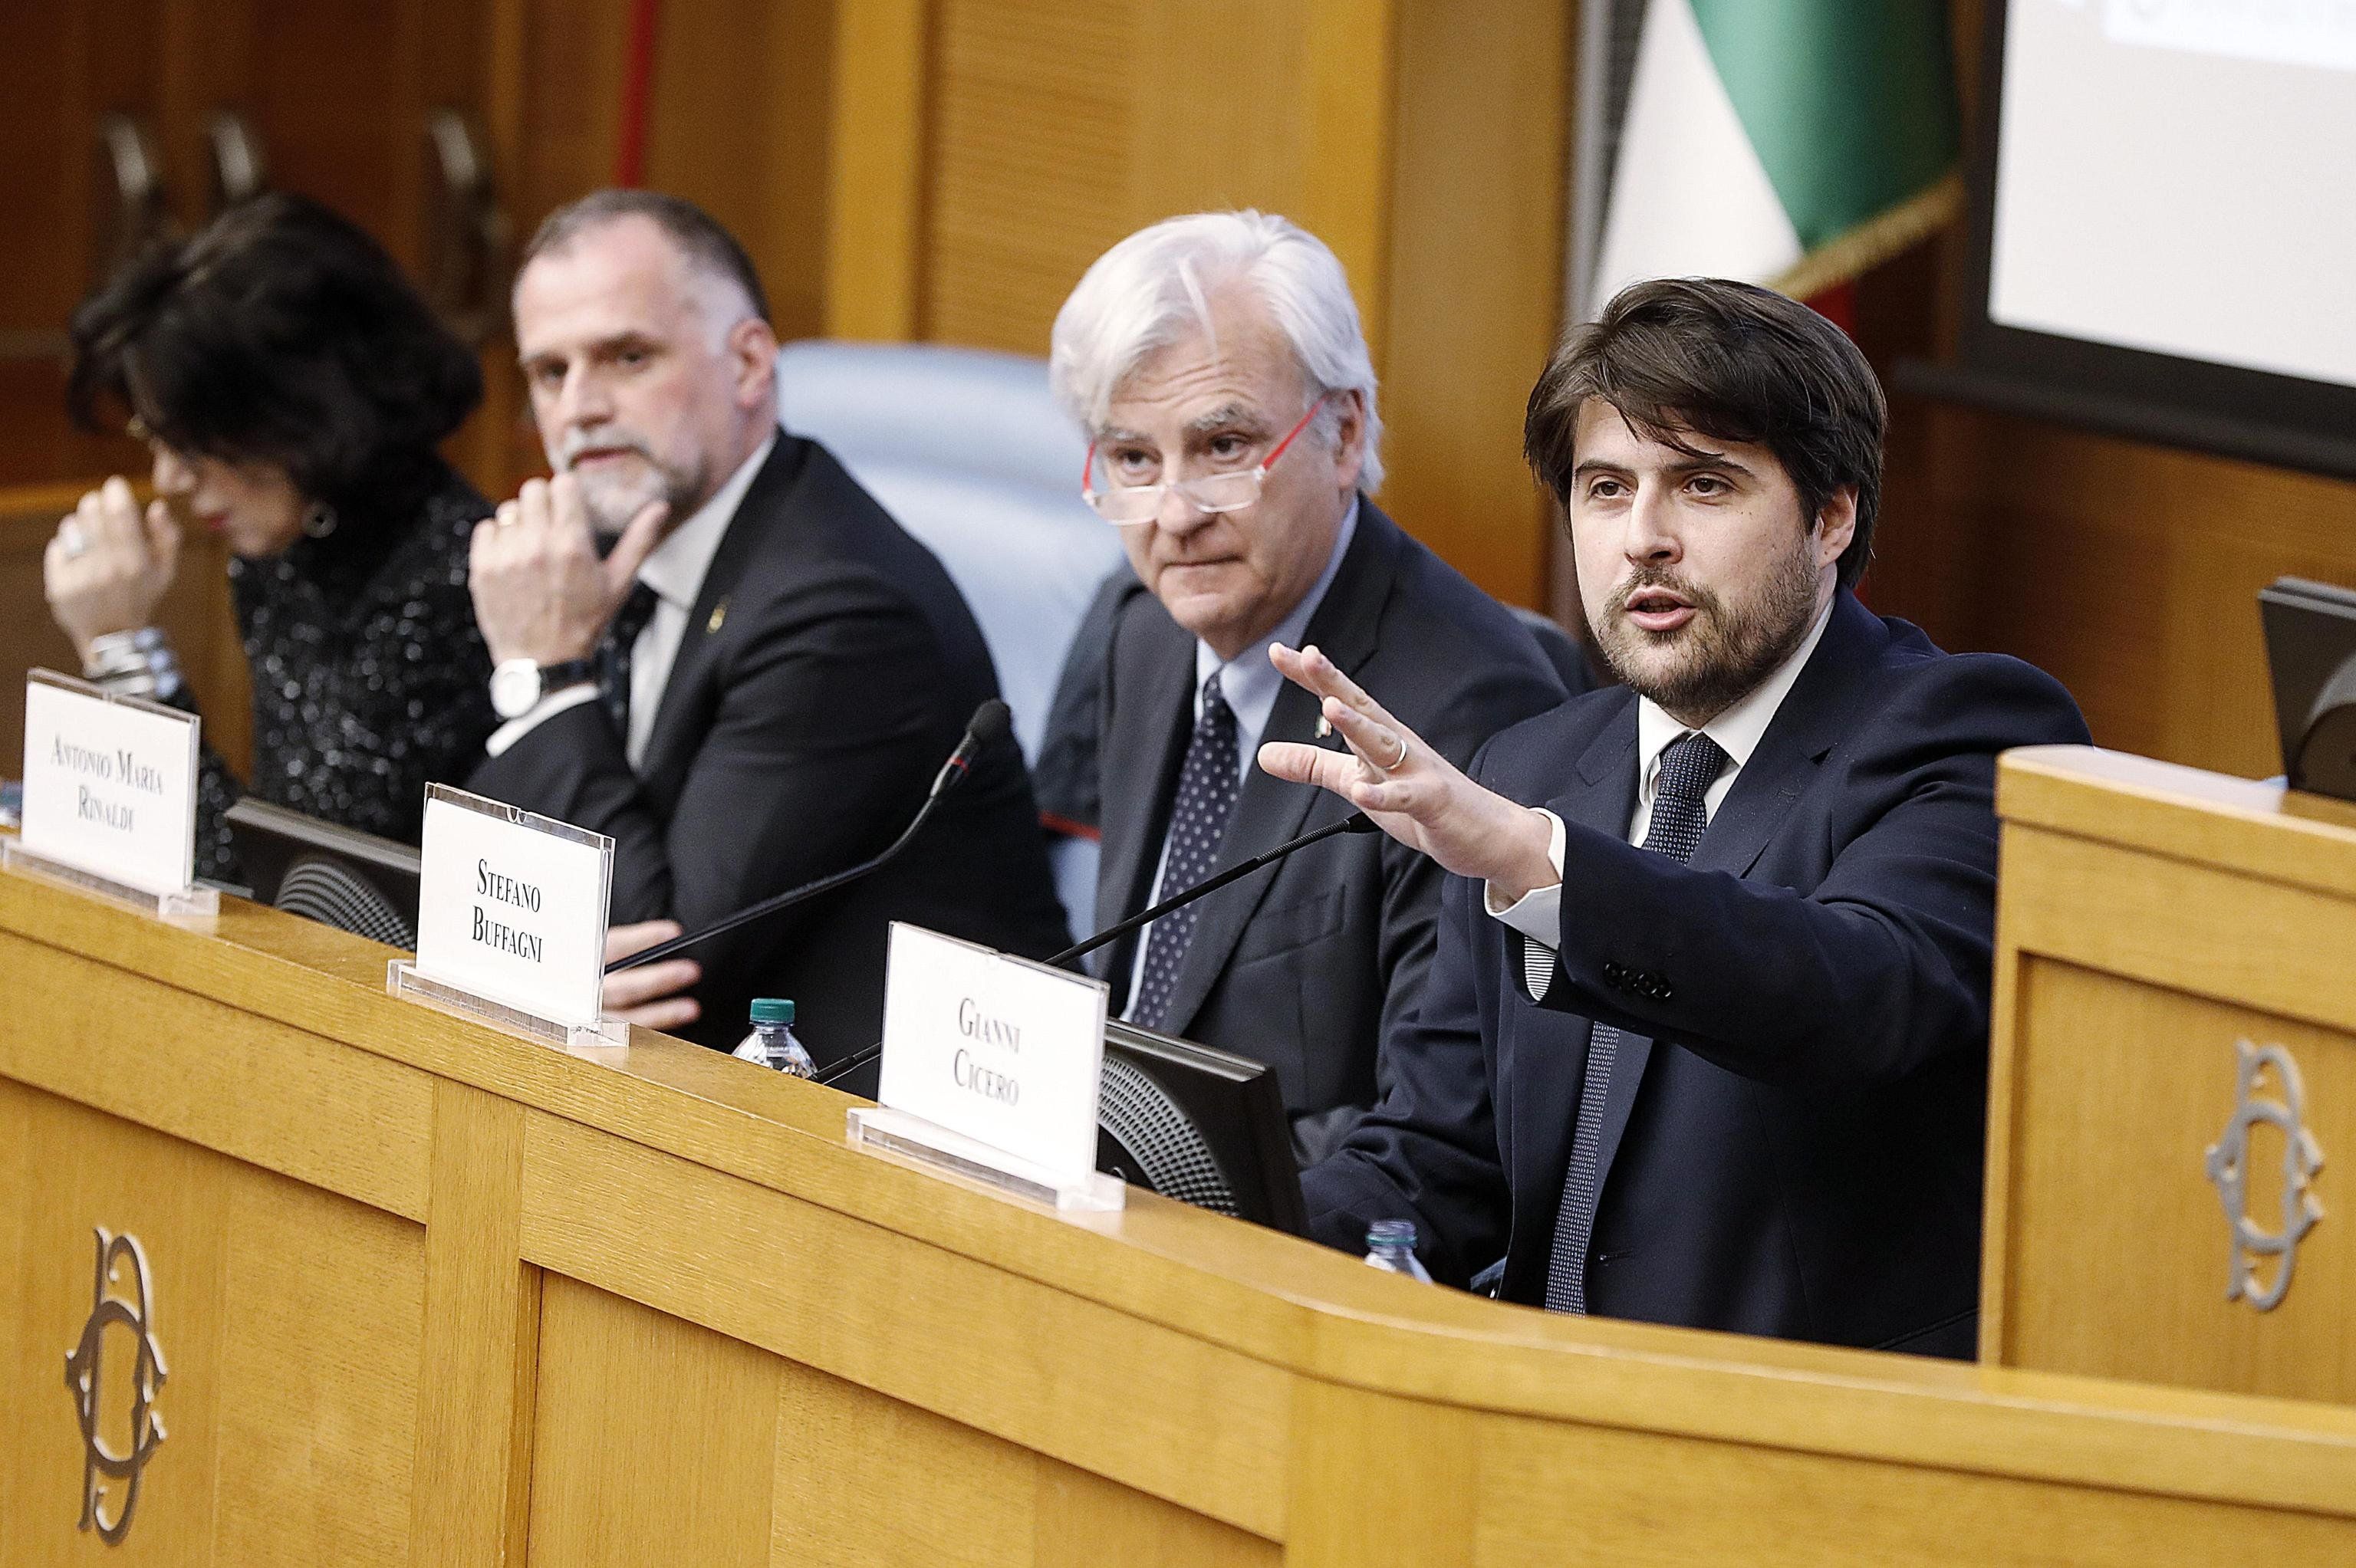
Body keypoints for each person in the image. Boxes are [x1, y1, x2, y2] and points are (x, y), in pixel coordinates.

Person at [1262, 278, 2090, 1355]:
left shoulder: (1963, 727)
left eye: (1703, 486)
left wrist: (1539, 864)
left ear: (1832, 515)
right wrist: (1200, 1216)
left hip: (1798, 1451)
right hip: (1528, 1426)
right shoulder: (1537, 763)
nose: (1643, 538)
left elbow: (1857, 993)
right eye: (1606, 489)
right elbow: (1441, 1160)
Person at [466, 190, 1068, 1061]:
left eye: (626, 357)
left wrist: (546, 674)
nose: (580, 407)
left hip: (882, 1145)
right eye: (550, 373)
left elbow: (666, 964)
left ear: (749, 364)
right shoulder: (586, 566)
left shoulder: (842, 609)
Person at [1049, 212, 1569, 1163]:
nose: (1173, 515)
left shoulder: (1469, 711)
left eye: (1223, 447)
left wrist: (1144, 1173)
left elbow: (1436, 1129)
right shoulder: (1143, 633)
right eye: (1132, 458)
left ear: (1342, 434)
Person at [48, 192, 496, 883]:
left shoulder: (450, 575)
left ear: (302, 411)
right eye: (160, 439)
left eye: (196, 443)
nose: (169, 478)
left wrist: (125, 653)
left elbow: (294, 888)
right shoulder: (287, 544)